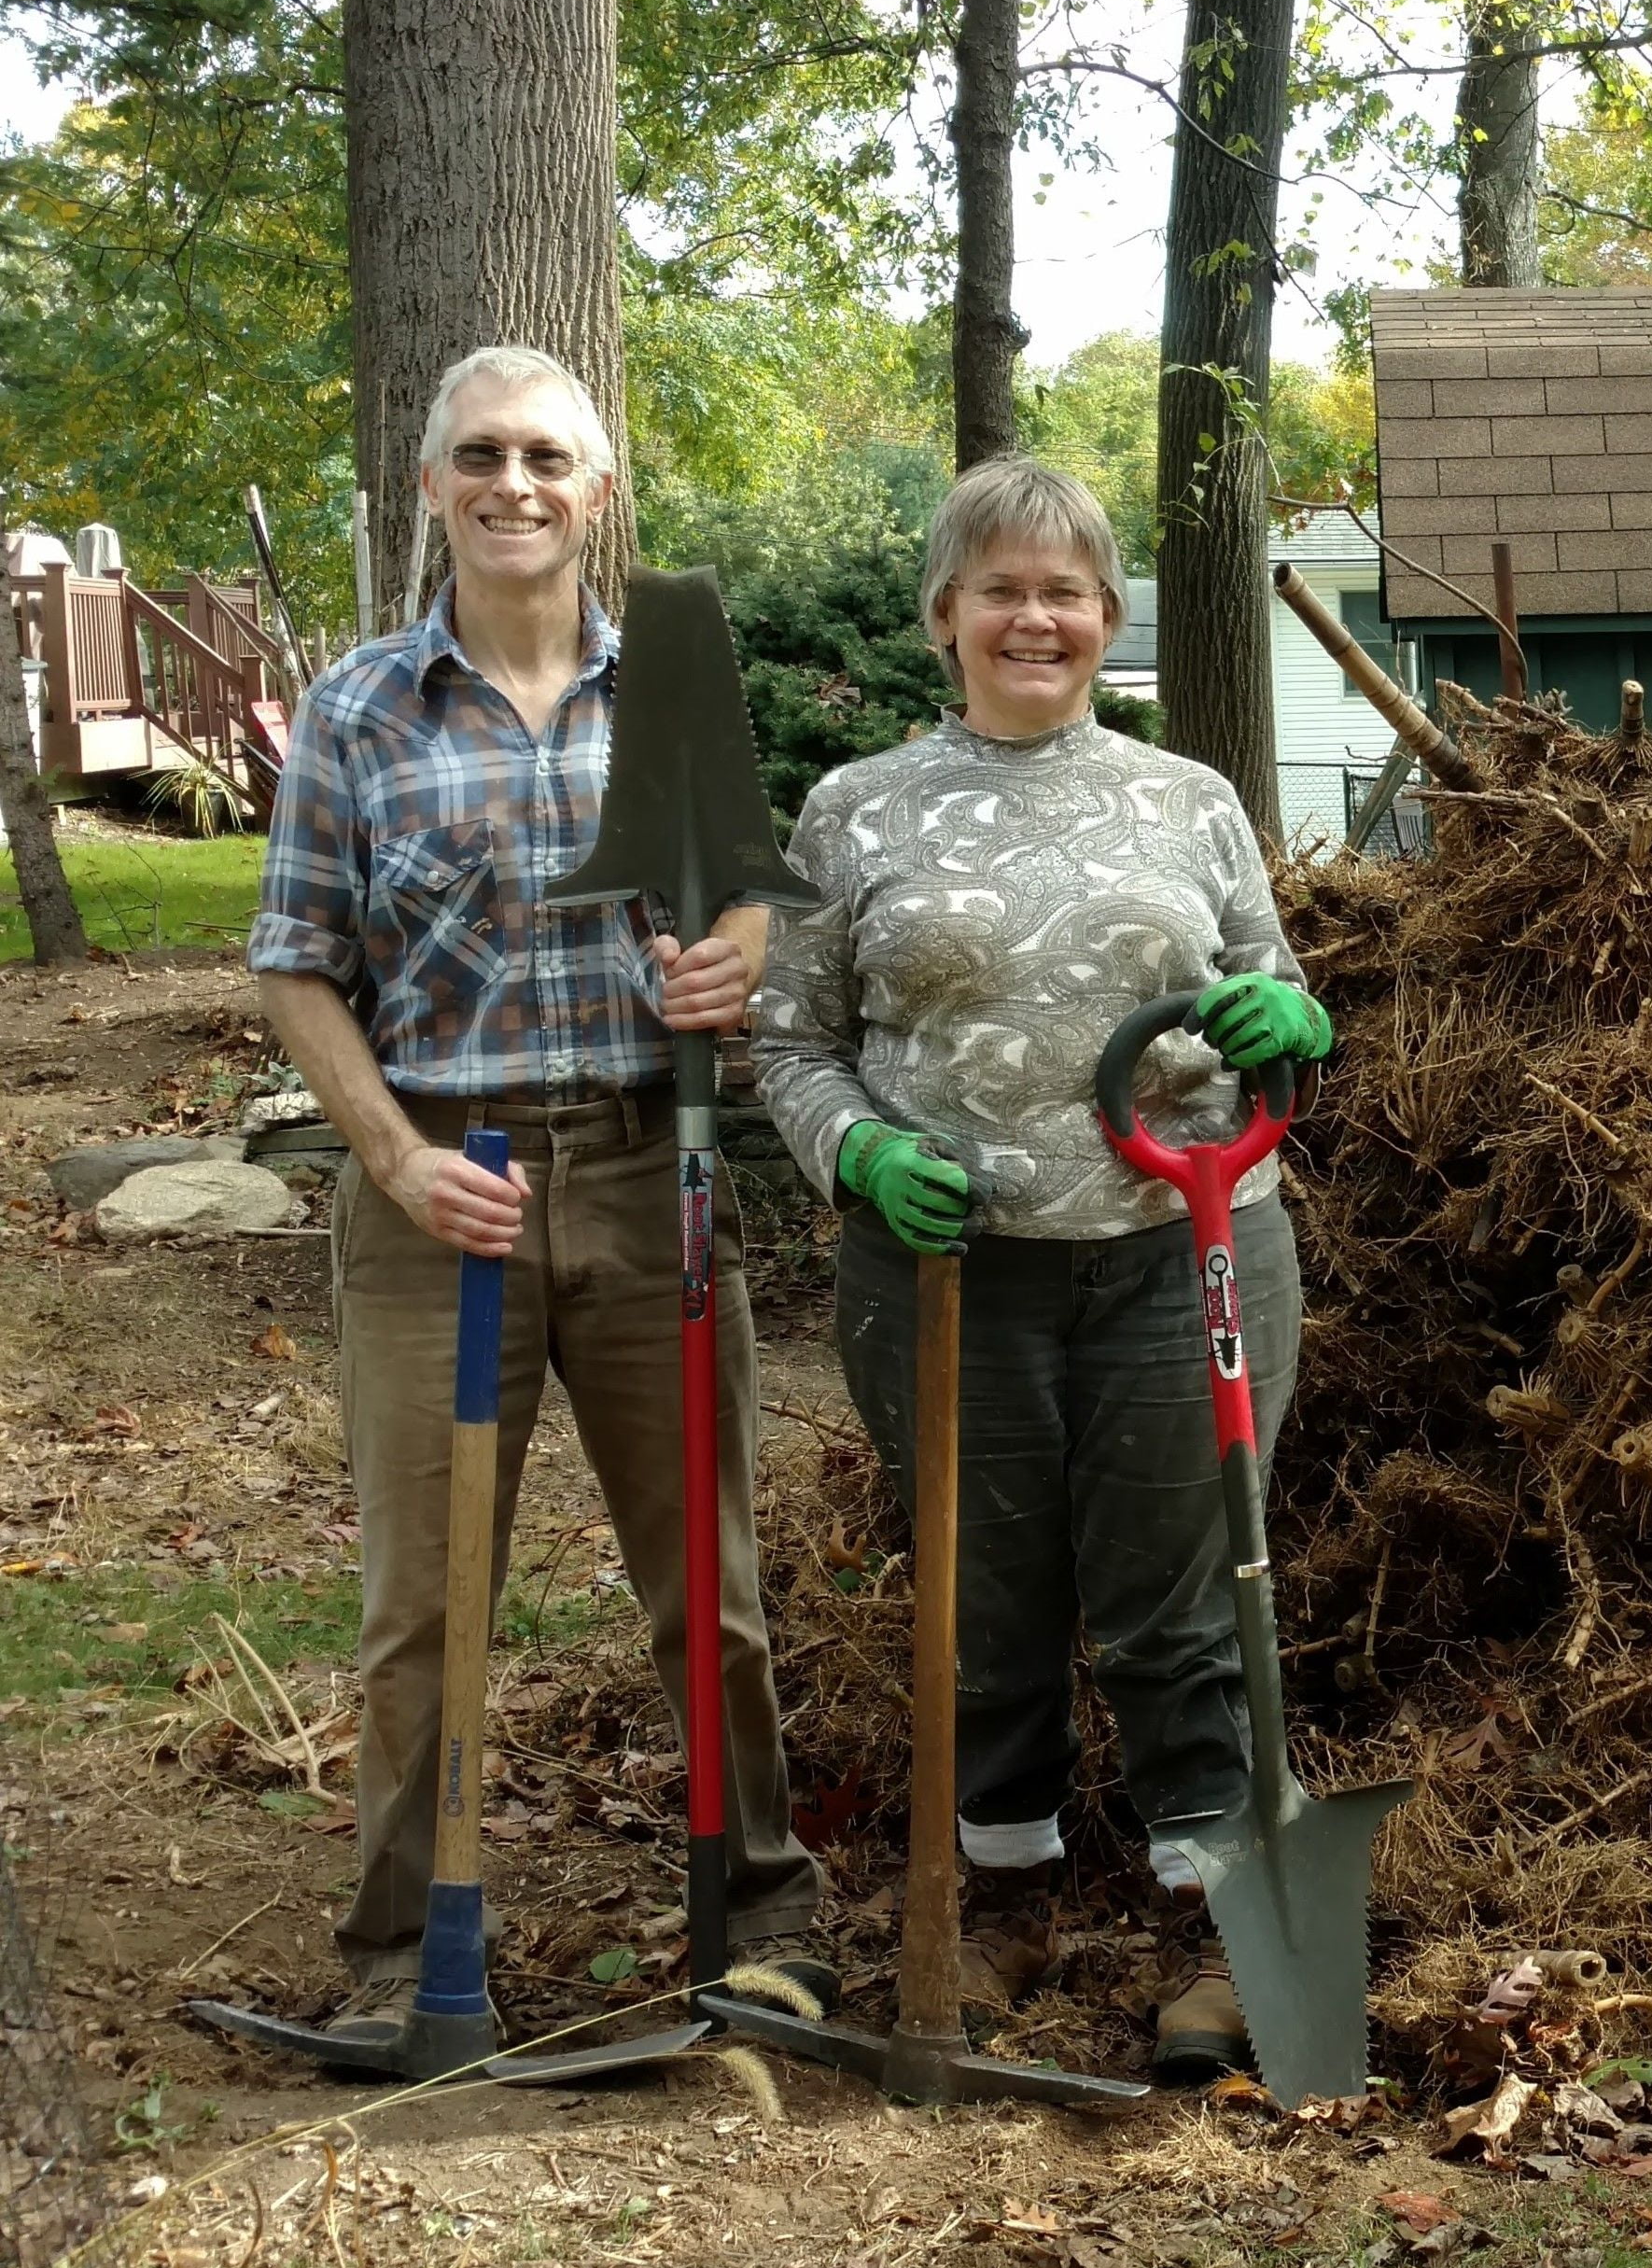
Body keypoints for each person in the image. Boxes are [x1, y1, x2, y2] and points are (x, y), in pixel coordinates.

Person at [249, 344, 824, 2046]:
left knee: (707, 1582)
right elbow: (294, 966)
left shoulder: (672, 690)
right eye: (480, 457)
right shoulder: (360, 708)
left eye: (548, 459)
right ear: (432, 488)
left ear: (596, 492)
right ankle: (401, 1962)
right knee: (424, 1602)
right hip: (444, 1187)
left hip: (654, 1174)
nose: (515, 484)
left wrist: (728, 970)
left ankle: (762, 1922)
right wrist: (397, 1158)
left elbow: (746, 905)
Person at [751, 457, 1329, 2084]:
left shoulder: (1185, 797)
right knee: (987, 1604)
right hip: (950, 1279)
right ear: (944, 616)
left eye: (1065, 590)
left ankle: (1213, 1925)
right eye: (1000, 587)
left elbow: (1272, 989)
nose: (1035, 616)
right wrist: (855, 1153)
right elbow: (792, 1038)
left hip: (1186, 1251)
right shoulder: (854, 809)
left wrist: (1294, 1026)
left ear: (1106, 618)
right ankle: (996, 1906)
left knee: (1187, 1606)